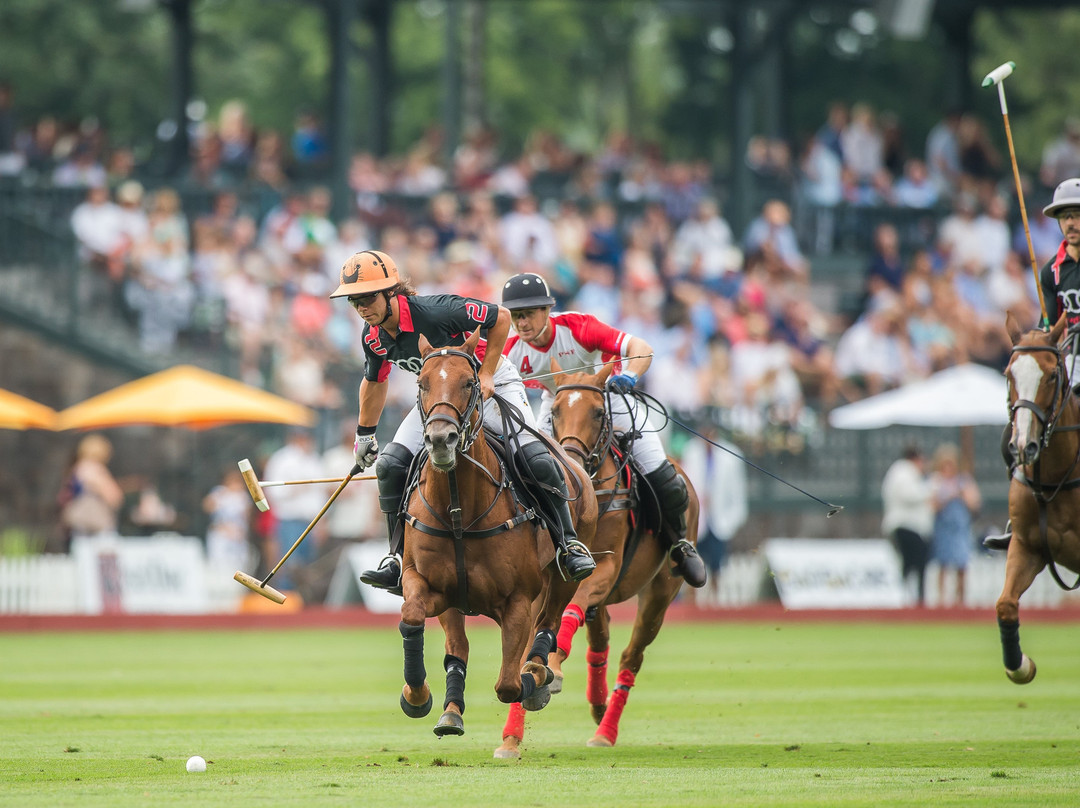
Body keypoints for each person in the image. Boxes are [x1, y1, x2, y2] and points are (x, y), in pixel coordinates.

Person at [330, 251, 595, 593]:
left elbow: (500, 317)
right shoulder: (372, 336)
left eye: (368, 298)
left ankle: (568, 544)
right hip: (441, 398)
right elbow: (375, 381)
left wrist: (487, 373)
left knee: (534, 457)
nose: (362, 307)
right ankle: (396, 557)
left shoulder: (437, 310)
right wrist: (365, 435)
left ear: (391, 292)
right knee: (390, 465)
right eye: (354, 301)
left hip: (491, 384)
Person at [499, 271, 707, 587]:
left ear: (547, 310)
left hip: (608, 397)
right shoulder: (511, 350)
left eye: (527, 314)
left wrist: (630, 376)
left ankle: (680, 543)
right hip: (558, 405)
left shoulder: (579, 327)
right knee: (527, 469)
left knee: (660, 473)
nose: (522, 323)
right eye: (516, 316)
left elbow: (641, 348)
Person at [986, 177, 1080, 550]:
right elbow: (1049, 322)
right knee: (1018, 430)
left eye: (1077, 215)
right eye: (1065, 216)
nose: (1071, 223)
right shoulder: (1051, 271)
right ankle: (1020, 518)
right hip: (1070, 356)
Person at [261, 427, 326, 592]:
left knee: (307, 565)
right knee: (289, 564)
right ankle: (287, 596)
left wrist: (321, 521)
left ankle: (302, 598)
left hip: (311, 520)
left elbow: (320, 494)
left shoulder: (313, 460)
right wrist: (295, 489)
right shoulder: (281, 459)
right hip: (289, 520)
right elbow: (273, 491)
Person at [881, 445, 934, 606]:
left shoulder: (900, 471)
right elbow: (909, 495)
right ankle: (915, 598)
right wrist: (929, 490)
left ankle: (911, 596)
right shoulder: (904, 472)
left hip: (906, 526)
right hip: (906, 526)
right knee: (914, 563)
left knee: (911, 563)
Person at [928, 443, 981, 607]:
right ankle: (942, 600)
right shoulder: (936, 481)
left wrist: (962, 495)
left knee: (961, 563)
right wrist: (948, 496)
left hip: (960, 528)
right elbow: (932, 505)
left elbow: (974, 503)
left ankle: (961, 600)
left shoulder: (964, 481)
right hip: (943, 528)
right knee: (943, 564)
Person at [58, 434, 124, 549]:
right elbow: (114, 497)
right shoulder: (93, 468)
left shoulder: (76, 468)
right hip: (96, 525)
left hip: (79, 524)